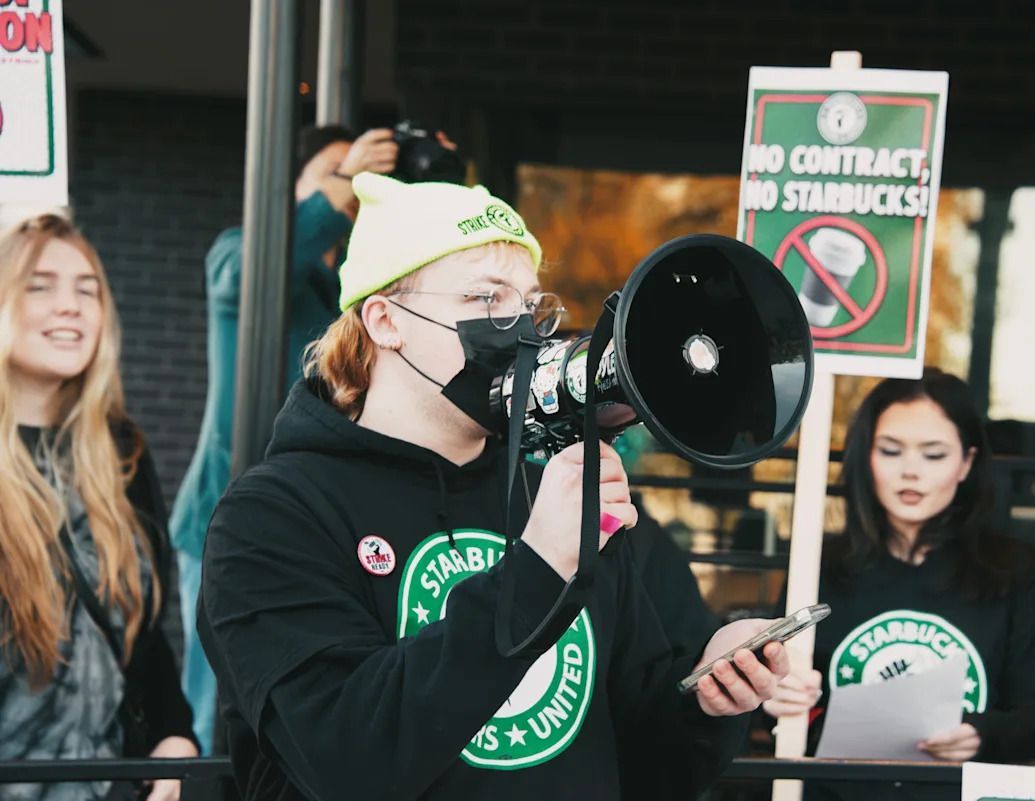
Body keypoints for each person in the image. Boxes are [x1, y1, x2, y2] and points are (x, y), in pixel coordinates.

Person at [197, 173, 790, 800]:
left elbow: (639, 766)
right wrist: (538, 568)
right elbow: (347, 760)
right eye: (485, 297)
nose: (520, 328)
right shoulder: (272, 516)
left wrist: (707, 697)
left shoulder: (553, 496)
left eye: (529, 304)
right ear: (384, 320)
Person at [170, 125, 399, 752]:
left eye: (363, 177)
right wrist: (342, 184)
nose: (350, 187)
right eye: (334, 172)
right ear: (295, 186)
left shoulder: (352, 289)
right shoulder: (240, 250)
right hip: (223, 509)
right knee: (213, 705)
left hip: (315, 520)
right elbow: (248, 277)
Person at [765, 369, 1035, 800]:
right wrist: (778, 697)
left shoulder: (1016, 572)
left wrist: (982, 733)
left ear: (967, 463)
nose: (910, 472)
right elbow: (770, 698)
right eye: (890, 451)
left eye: (933, 455)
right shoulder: (817, 566)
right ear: (865, 456)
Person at [0, 214, 197, 801]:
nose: (71, 305)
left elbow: (144, 631)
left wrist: (174, 734)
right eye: (40, 285)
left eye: (88, 291)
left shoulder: (120, 451)